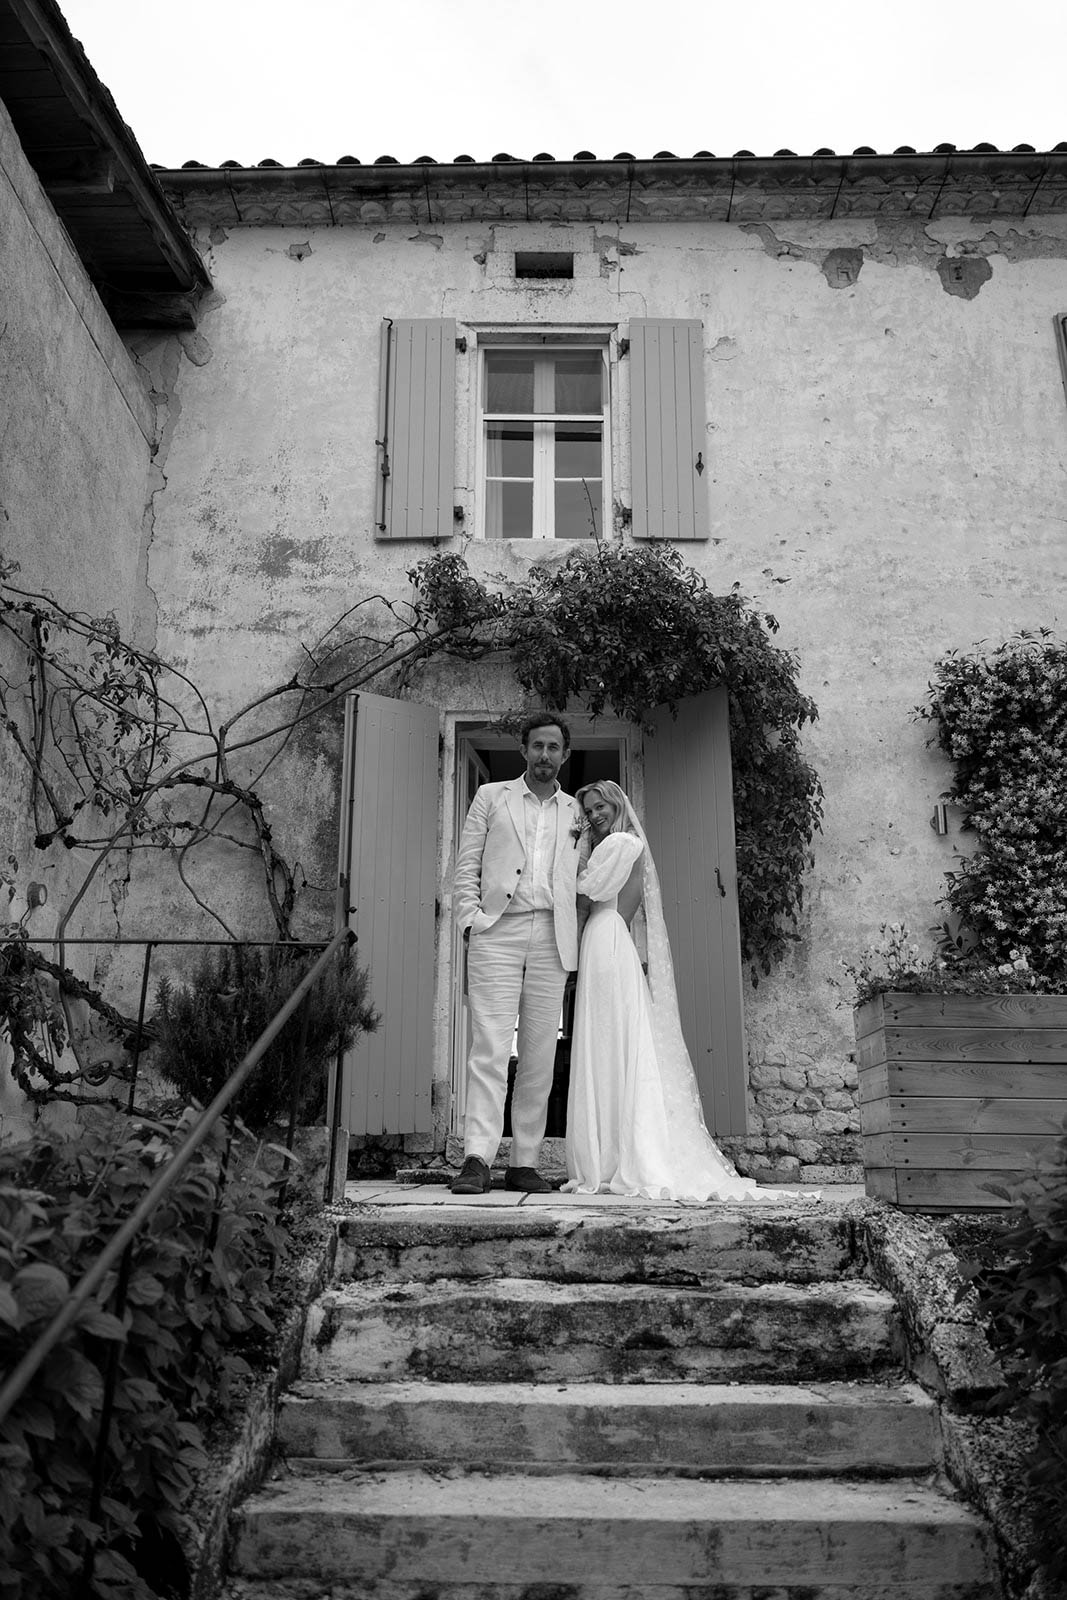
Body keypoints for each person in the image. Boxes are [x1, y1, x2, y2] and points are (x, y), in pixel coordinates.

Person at [565, 781, 815, 1203]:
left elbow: (585, 890)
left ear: (617, 804)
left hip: (606, 937)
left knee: (609, 1040)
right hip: (607, 939)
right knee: (608, 1040)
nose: (594, 816)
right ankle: (607, 1151)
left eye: (599, 807)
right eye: (588, 811)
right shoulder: (619, 843)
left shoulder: (620, 843)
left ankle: (613, 1155)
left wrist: (571, 848)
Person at [451, 713, 587, 1195]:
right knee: (489, 1045)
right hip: (498, 930)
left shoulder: (578, 812)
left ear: (564, 754)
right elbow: (467, 863)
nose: (545, 755)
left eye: (554, 748)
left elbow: (583, 877)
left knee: (539, 1051)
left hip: (553, 935)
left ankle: (524, 1161)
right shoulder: (492, 797)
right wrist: (470, 920)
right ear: (523, 750)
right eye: (537, 747)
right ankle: (477, 1158)